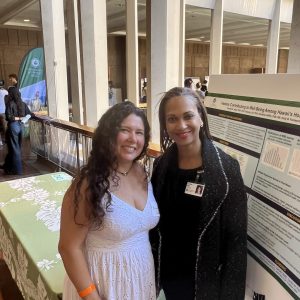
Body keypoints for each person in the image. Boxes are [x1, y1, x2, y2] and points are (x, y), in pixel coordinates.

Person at [151, 87, 247, 300]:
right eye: (172, 119)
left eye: (188, 116)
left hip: (206, 283)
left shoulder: (226, 169)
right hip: (169, 276)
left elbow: (236, 242)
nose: (181, 125)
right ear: (165, 125)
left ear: (201, 118)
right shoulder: (160, 166)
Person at [59, 101, 160, 300]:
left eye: (139, 133)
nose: (133, 139)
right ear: (108, 134)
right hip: (102, 281)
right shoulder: (88, 182)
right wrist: (91, 296)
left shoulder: (141, 172)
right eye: (125, 130)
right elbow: (69, 247)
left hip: (140, 279)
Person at [1, 86, 31, 175]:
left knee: (15, 149)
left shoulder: (10, 103)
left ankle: (18, 171)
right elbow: (29, 114)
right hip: (21, 127)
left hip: (13, 127)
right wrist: (23, 118)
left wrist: (18, 118)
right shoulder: (23, 103)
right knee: (15, 147)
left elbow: (8, 117)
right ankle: (8, 166)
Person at [0, 80, 8, 146]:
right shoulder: (6, 92)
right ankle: (7, 140)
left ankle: (0, 142)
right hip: (4, 111)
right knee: (5, 126)